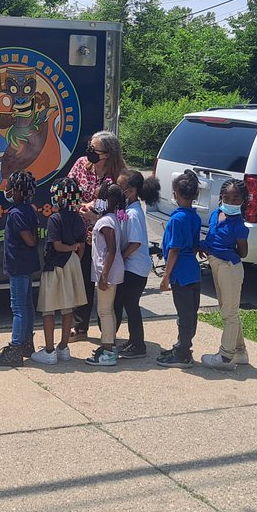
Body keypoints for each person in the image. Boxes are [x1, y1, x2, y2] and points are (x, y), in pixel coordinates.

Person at [67, 130, 127, 339]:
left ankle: (108, 330)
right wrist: (83, 206)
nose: (90, 152)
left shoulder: (119, 176)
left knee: (106, 283)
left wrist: (99, 212)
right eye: (90, 147)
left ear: (108, 154)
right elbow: (67, 192)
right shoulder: (81, 164)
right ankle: (80, 325)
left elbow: (123, 211)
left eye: (95, 149)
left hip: (106, 237)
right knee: (82, 280)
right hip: (81, 234)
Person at [31, 177, 88, 365]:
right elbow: (81, 245)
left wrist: (68, 248)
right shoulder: (78, 218)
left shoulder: (54, 219)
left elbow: (56, 245)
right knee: (67, 307)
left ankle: (49, 350)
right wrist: (75, 256)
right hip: (72, 263)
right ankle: (63, 347)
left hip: (56, 264)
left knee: (48, 309)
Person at [0, 171, 41, 368]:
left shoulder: (16, 213)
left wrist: (31, 238)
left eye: (10, 187)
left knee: (18, 307)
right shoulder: (28, 210)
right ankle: (27, 342)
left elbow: (29, 239)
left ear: (19, 191)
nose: (7, 190)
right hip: (26, 264)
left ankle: (15, 348)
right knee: (26, 305)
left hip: (18, 265)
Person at [199, 178, 251, 371]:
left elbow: (243, 252)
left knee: (229, 312)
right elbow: (212, 239)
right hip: (216, 264)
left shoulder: (239, 225)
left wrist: (224, 253)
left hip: (229, 267)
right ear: (221, 197)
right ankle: (240, 351)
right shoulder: (216, 214)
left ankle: (226, 356)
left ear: (243, 200)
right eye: (226, 197)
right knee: (227, 308)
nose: (230, 201)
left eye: (236, 197)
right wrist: (203, 246)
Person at [157, 170, 203, 367]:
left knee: (184, 314)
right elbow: (193, 245)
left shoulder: (177, 219)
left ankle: (183, 352)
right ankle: (182, 346)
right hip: (192, 270)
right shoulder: (195, 217)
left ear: (176, 193)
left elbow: (174, 249)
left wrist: (166, 275)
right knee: (191, 312)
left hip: (181, 273)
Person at [115, 170, 159, 359]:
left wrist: (121, 257)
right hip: (132, 267)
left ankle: (138, 344)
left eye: (120, 187)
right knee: (127, 303)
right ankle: (134, 341)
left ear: (131, 191)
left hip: (136, 268)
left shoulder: (133, 213)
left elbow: (135, 243)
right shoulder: (129, 209)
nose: (117, 190)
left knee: (131, 304)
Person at [85, 183, 127, 367]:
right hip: (110, 271)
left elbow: (111, 249)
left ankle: (108, 350)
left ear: (109, 201)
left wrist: (104, 275)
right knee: (108, 310)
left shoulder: (106, 222)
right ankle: (108, 346)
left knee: (104, 311)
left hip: (107, 273)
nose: (95, 201)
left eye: (98, 198)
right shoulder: (109, 219)